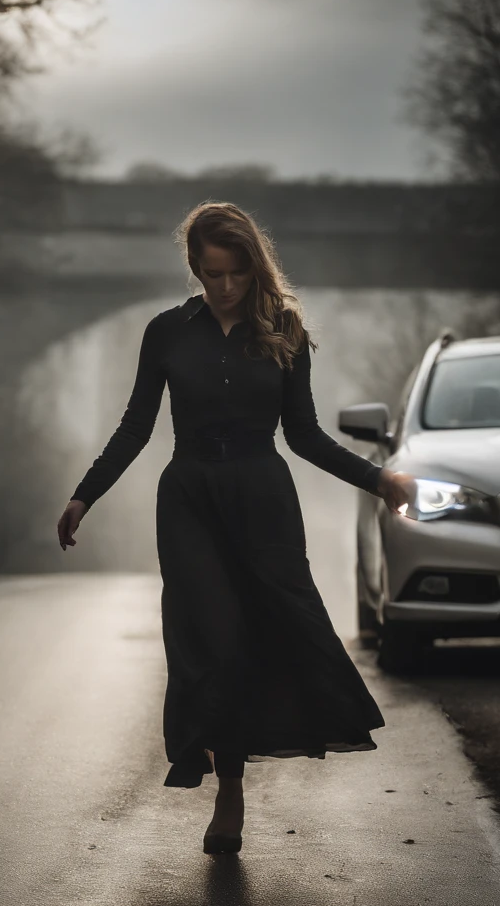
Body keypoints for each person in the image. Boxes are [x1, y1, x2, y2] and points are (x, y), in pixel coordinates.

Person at [57, 201, 415, 855]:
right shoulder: (166, 332)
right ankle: (228, 785)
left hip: (263, 500)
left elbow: (304, 436)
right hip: (189, 498)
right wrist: (85, 495)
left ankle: (243, 769)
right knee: (213, 643)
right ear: (194, 268)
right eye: (212, 273)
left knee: (278, 630)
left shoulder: (284, 330)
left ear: (254, 268)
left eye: (236, 274)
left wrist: (379, 479)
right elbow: (137, 426)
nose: (224, 287)